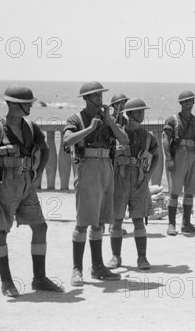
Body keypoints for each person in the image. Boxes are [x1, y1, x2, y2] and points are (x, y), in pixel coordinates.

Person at [0, 85, 62, 297]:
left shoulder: (31, 128)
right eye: (27, 103)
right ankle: (6, 282)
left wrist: (38, 174)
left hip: (26, 185)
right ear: (13, 104)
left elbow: (45, 150)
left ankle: (39, 279)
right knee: (0, 232)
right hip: (4, 186)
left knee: (40, 227)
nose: (31, 106)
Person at [64, 82, 130, 287]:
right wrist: (90, 128)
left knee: (100, 221)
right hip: (88, 167)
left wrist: (109, 121)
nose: (100, 99)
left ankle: (97, 266)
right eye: (96, 95)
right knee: (83, 220)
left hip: (106, 167)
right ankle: (77, 269)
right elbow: (67, 140)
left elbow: (124, 139)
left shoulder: (106, 120)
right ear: (86, 98)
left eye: (101, 95)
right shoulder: (76, 118)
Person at [106, 98, 159, 270]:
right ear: (129, 114)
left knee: (138, 220)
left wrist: (149, 174)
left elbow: (157, 155)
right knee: (116, 221)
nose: (142, 114)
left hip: (139, 182)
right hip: (119, 181)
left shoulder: (148, 136)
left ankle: (142, 258)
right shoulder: (117, 134)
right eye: (138, 112)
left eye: (143, 111)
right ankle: (115, 256)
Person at [162, 90, 195, 236]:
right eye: (185, 101)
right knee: (174, 192)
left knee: (189, 192)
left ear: (194, 102)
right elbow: (166, 140)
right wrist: (168, 158)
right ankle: (171, 224)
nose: (188, 103)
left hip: (192, 155)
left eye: (190, 101)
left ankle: (186, 224)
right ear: (181, 103)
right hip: (178, 155)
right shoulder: (172, 120)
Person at [109, 93, 129, 236]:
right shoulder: (107, 119)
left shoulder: (125, 121)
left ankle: (114, 225)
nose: (121, 105)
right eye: (119, 103)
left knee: (118, 193)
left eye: (124, 103)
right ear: (114, 105)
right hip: (108, 158)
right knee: (106, 193)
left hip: (120, 160)